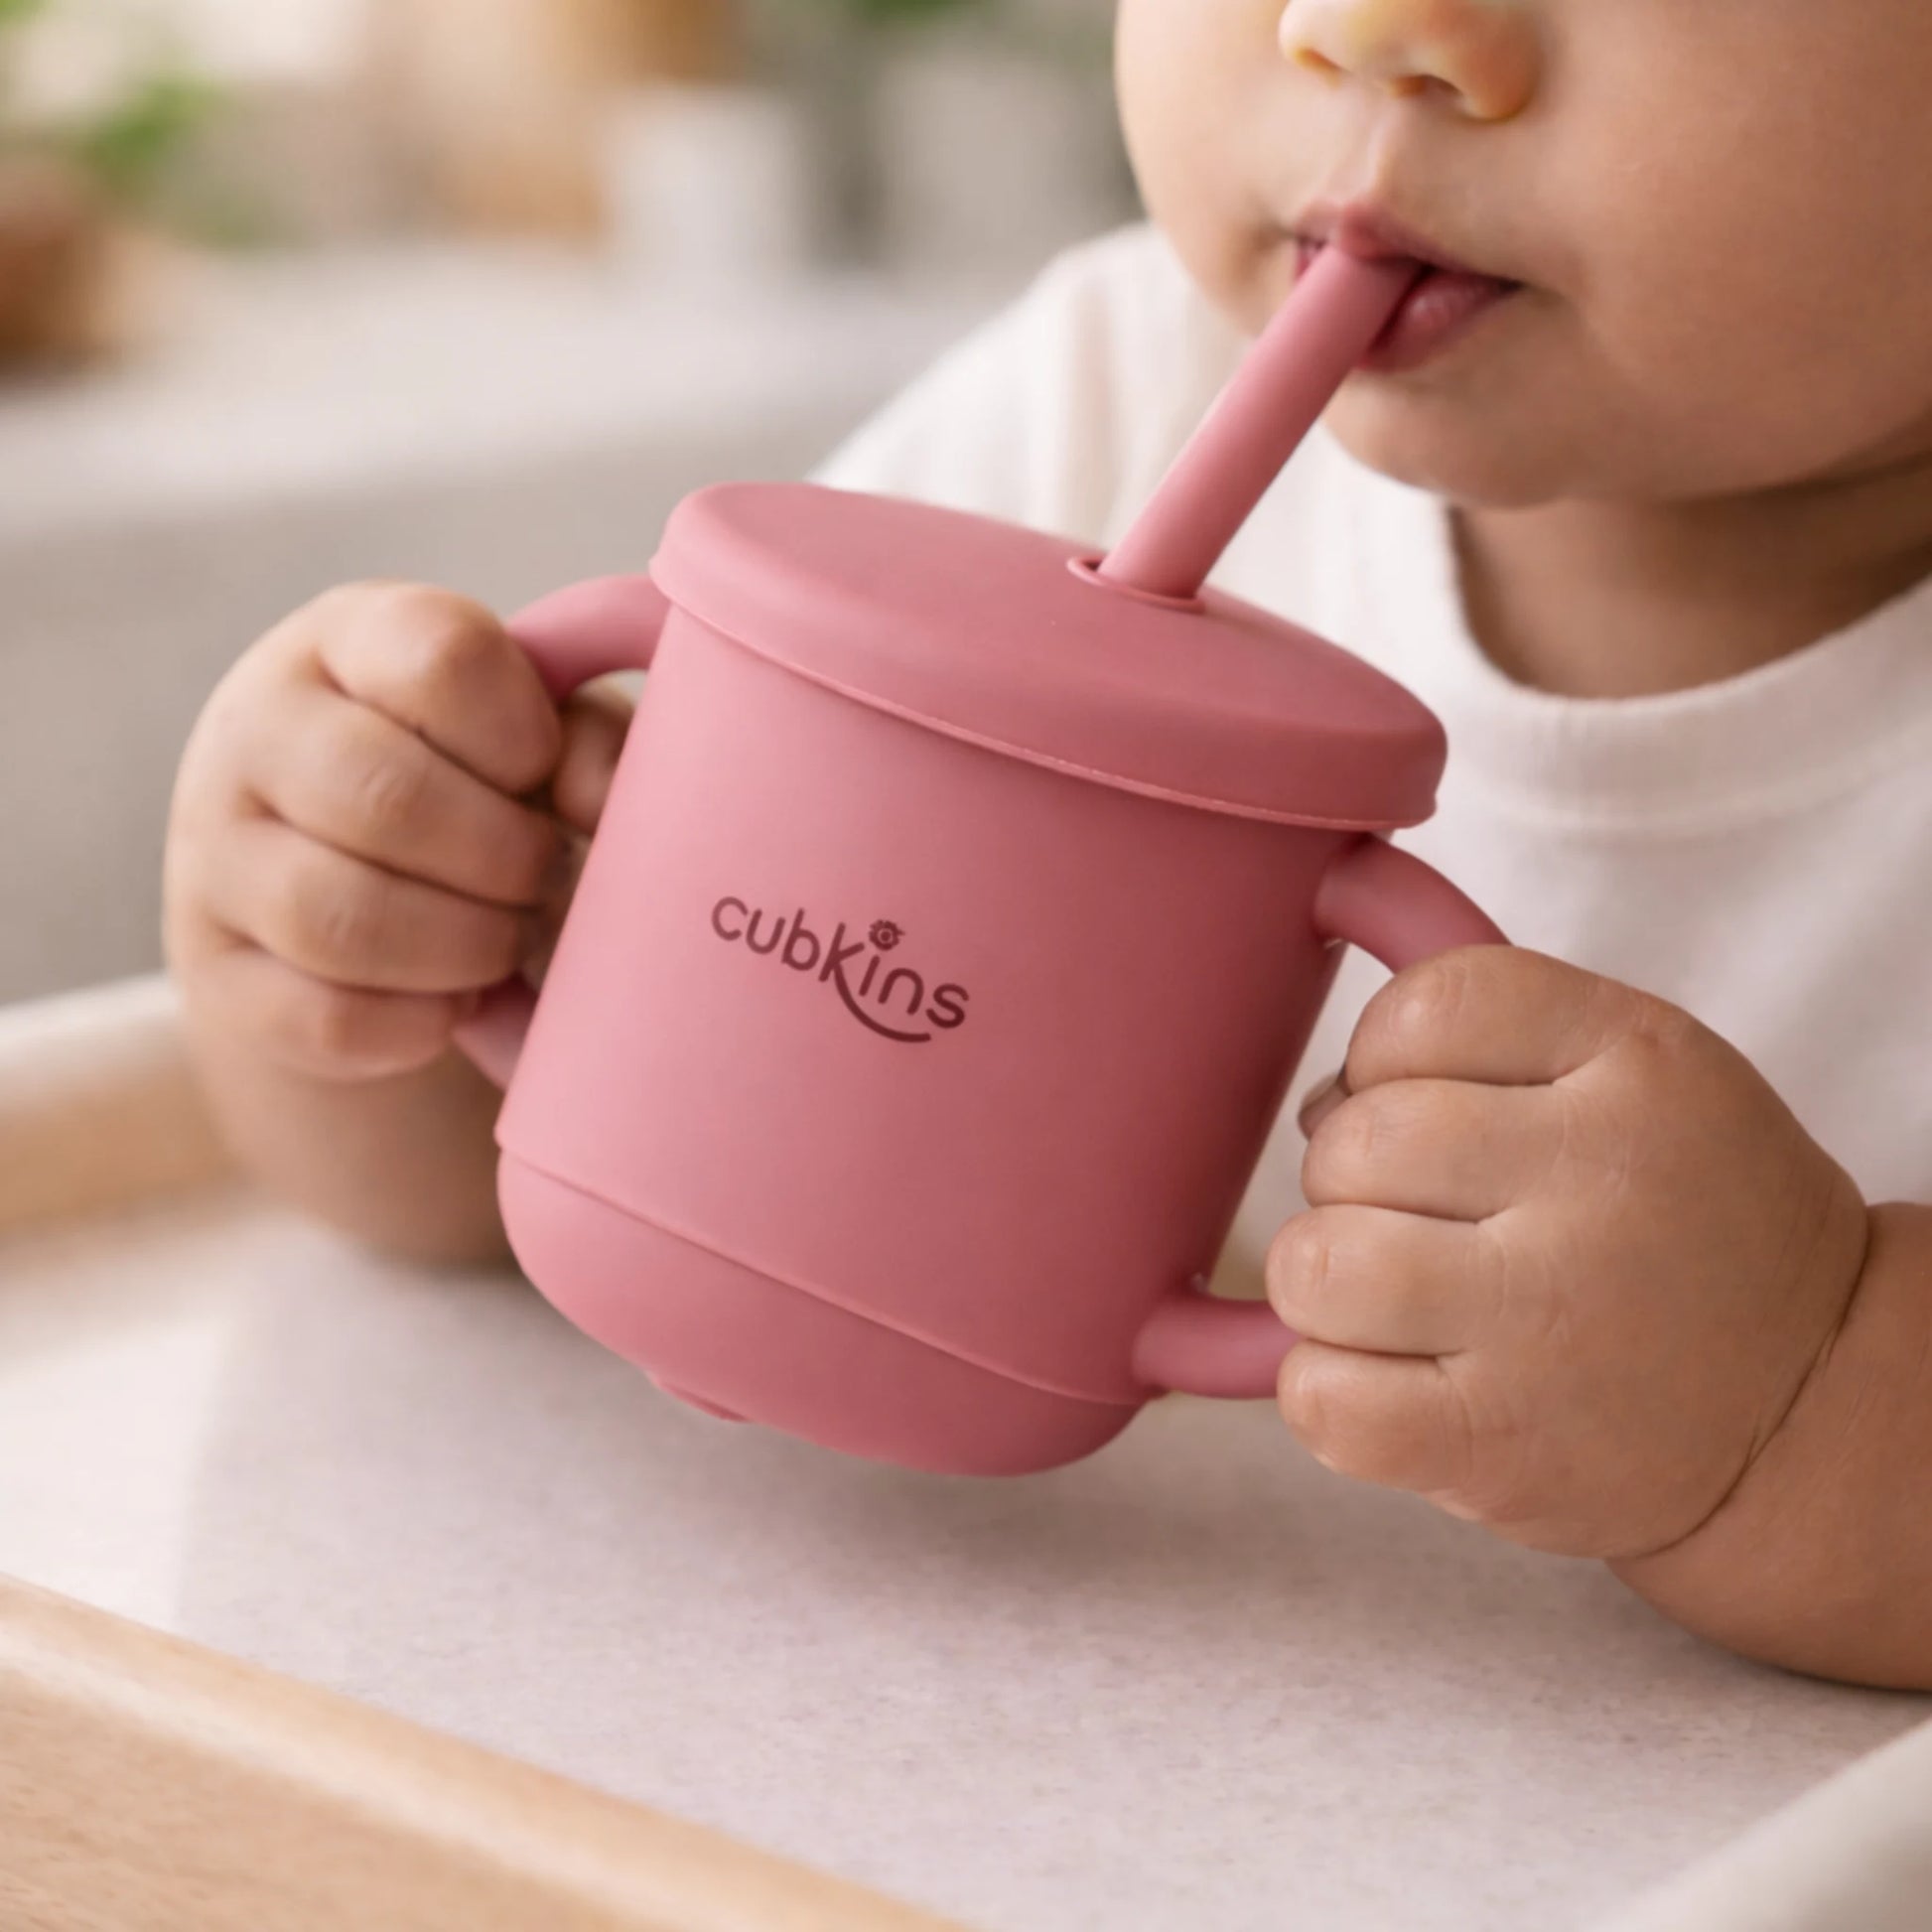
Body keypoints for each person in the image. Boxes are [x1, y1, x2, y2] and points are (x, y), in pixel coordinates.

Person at [164, 0, 1932, 1688]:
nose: (1376, 31)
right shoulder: (1100, 391)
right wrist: (371, 915)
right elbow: (466, 1207)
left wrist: (1803, 1384)